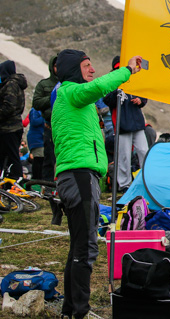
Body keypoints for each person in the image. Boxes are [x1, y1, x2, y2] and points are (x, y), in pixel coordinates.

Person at [52, 49, 143, 319]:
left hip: (82, 174)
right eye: (86, 66)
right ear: (72, 70)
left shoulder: (77, 98)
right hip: (78, 175)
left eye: (92, 66)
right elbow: (101, 86)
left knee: (79, 245)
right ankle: (80, 311)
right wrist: (126, 71)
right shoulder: (70, 92)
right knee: (86, 247)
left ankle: (71, 310)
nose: (92, 70)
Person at [103, 56, 148, 193]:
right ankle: (124, 185)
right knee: (124, 155)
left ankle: (147, 179)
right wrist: (117, 92)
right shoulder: (112, 79)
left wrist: (140, 100)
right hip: (121, 123)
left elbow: (144, 95)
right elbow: (106, 99)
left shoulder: (134, 77)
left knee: (143, 151)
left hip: (137, 122)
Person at [32, 54, 58, 181]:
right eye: (55, 65)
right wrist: (53, 97)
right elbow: (36, 103)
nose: (58, 68)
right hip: (49, 127)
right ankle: (47, 187)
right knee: (49, 158)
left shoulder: (69, 83)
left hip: (65, 126)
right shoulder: (44, 84)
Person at [0, 60, 27, 180]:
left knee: (12, 156)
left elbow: (8, 106)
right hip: (14, 126)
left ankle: (16, 180)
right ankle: (8, 181)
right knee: (9, 155)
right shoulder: (16, 84)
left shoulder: (10, 84)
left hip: (9, 128)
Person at [26, 108, 46, 179]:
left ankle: (39, 179)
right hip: (37, 139)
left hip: (42, 138)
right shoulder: (35, 110)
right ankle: (36, 180)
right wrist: (44, 116)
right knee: (39, 159)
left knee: (42, 159)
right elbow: (34, 121)